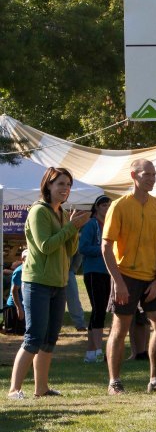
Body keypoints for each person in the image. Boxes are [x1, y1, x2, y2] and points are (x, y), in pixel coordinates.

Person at [8, 167, 90, 400]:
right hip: (37, 282)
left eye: (68, 185)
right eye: (60, 184)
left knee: (50, 338)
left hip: (59, 282)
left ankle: (41, 389)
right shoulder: (38, 212)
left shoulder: (63, 213)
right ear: (48, 185)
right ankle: (14, 389)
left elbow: (70, 249)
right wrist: (70, 228)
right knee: (34, 337)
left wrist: (74, 231)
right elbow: (45, 246)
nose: (65, 189)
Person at [102, 159, 156, 394]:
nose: (152, 178)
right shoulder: (119, 206)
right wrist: (118, 282)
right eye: (147, 174)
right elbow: (106, 246)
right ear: (134, 175)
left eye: (154, 175)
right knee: (120, 329)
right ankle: (114, 382)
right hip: (125, 276)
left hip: (152, 278)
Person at [79, 195, 112, 363]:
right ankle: (98, 350)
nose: (107, 208)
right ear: (97, 207)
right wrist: (103, 250)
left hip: (108, 272)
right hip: (93, 271)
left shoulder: (110, 225)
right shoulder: (91, 224)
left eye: (109, 205)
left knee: (100, 310)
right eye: (104, 205)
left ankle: (91, 352)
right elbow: (83, 247)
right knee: (98, 309)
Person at [4, 249, 28, 335]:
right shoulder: (19, 271)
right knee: (17, 333)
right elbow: (14, 291)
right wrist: (19, 308)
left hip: (24, 306)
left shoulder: (32, 269)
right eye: (26, 257)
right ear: (22, 259)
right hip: (14, 307)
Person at [65, 250, 87, 331]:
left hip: (68, 271)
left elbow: (79, 253)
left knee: (73, 299)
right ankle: (52, 326)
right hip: (52, 272)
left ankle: (80, 324)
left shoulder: (73, 237)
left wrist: (73, 270)